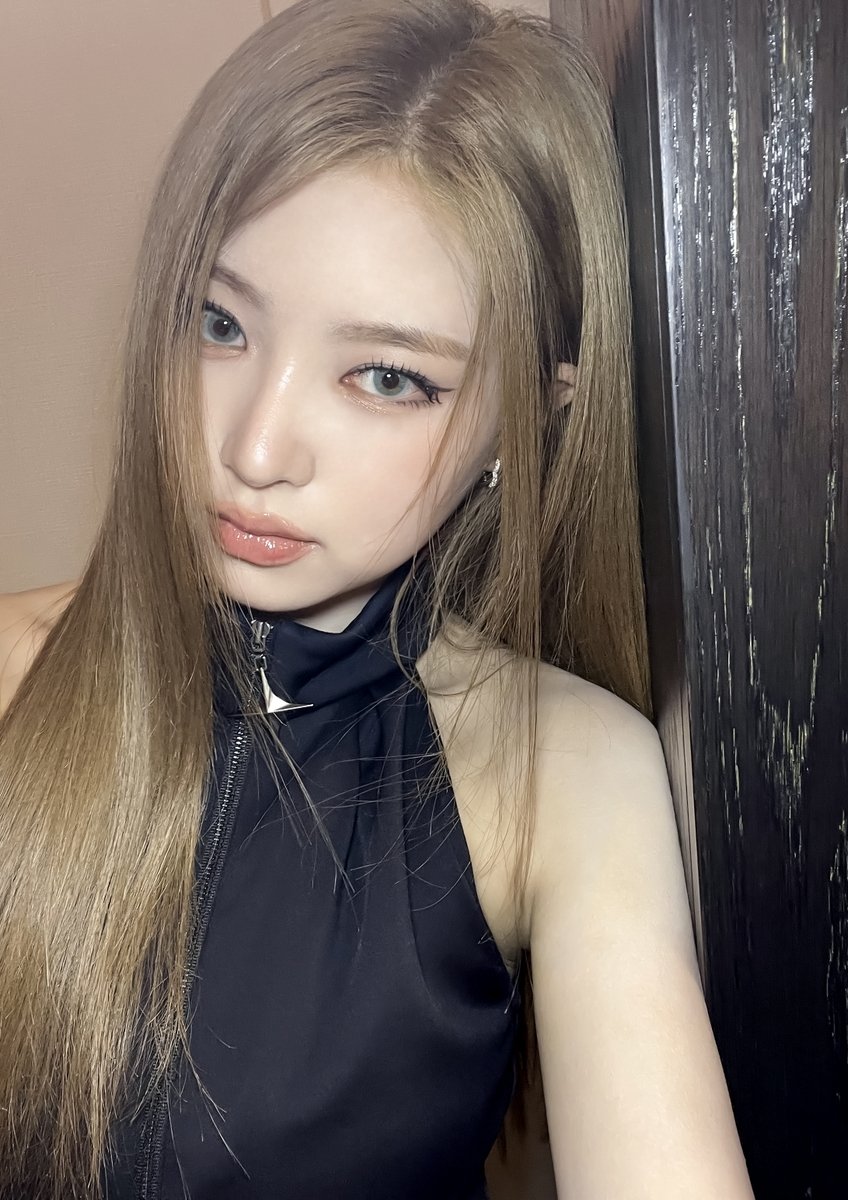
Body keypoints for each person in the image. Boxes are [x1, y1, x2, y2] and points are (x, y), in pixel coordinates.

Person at [0, 1, 755, 1197]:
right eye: (218, 322)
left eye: (388, 377)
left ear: (528, 419)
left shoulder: (561, 777)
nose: (255, 448)